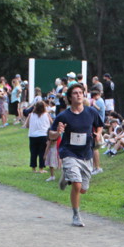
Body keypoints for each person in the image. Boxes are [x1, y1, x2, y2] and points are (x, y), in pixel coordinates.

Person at [49, 82, 104, 227]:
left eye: (80, 93)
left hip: (86, 154)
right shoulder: (63, 116)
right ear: (69, 97)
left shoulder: (91, 112)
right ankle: (76, 215)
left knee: (83, 189)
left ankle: (66, 176)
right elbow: (51, 135)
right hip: (69, 153)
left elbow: (99, 125)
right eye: (75, 93)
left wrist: (98, 134)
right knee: (77, 185)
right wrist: (58, 132)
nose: (79, 95)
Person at [27, 100, 51, 173]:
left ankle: (33, 168)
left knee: (33, 152)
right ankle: (41, 168)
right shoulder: (46, 114)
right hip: (43, 135)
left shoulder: (31, 115)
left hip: (33, 135)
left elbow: (27, 125)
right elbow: (52, 123)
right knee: (42, 152)